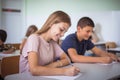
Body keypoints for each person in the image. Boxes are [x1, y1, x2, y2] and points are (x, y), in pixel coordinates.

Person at [19, 11, 80, 76]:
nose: (63, 34)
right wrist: (64, 71)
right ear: (51, 24)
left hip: (43, 77)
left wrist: (52, 65)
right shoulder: (34, 38)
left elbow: (67, 59)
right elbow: (34, 70)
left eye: (65, 32)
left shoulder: (52, 43)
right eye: (61, 29)